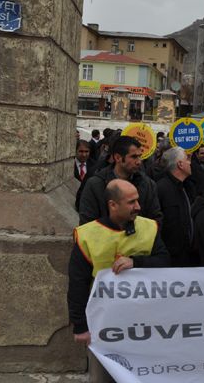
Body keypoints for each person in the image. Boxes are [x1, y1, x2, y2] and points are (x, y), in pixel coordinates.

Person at [68, 179, 170, 382]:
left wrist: (137, 262)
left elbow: (164, 260)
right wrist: (80, 326)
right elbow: (77, 282)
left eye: (138, 201)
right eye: (131, 202)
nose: (138, 207)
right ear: (112, 205)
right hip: (104, 323)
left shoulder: (149, 227)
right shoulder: (87, 235)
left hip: (143, 320)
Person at [78, 136, 162, 225]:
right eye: (134, 157)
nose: (139, 162)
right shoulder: (95, 185)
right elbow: (87, 224)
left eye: (139, 156)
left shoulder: (147, 184)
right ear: (118, 158)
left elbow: (155, 219)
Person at [155, 147, 197, 267]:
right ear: (180, 164)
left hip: (188, 255)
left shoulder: (188, 186)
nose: (190, 163)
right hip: (171, 258)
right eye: (187, 159)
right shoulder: (161, 188)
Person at [74, 140, 95, 211]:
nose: (84, 155)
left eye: (86, 152)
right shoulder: (70, 165)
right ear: (75, 151)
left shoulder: (94, 165)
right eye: (81, 151)